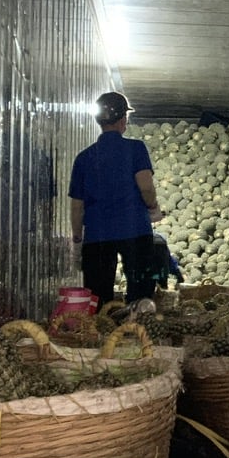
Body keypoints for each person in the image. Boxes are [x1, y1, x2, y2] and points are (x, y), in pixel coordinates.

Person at [69, 92, 164, 306]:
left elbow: (77, 207)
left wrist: (77, 239)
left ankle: (102, 336)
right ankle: (137, 333)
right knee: (140, 296)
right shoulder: (135, 149)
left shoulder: (84, 158)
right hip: (135, 232)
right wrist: (153, 207)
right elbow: (146, 187)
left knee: (98, 300)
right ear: (124, 120)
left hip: (97, 236)